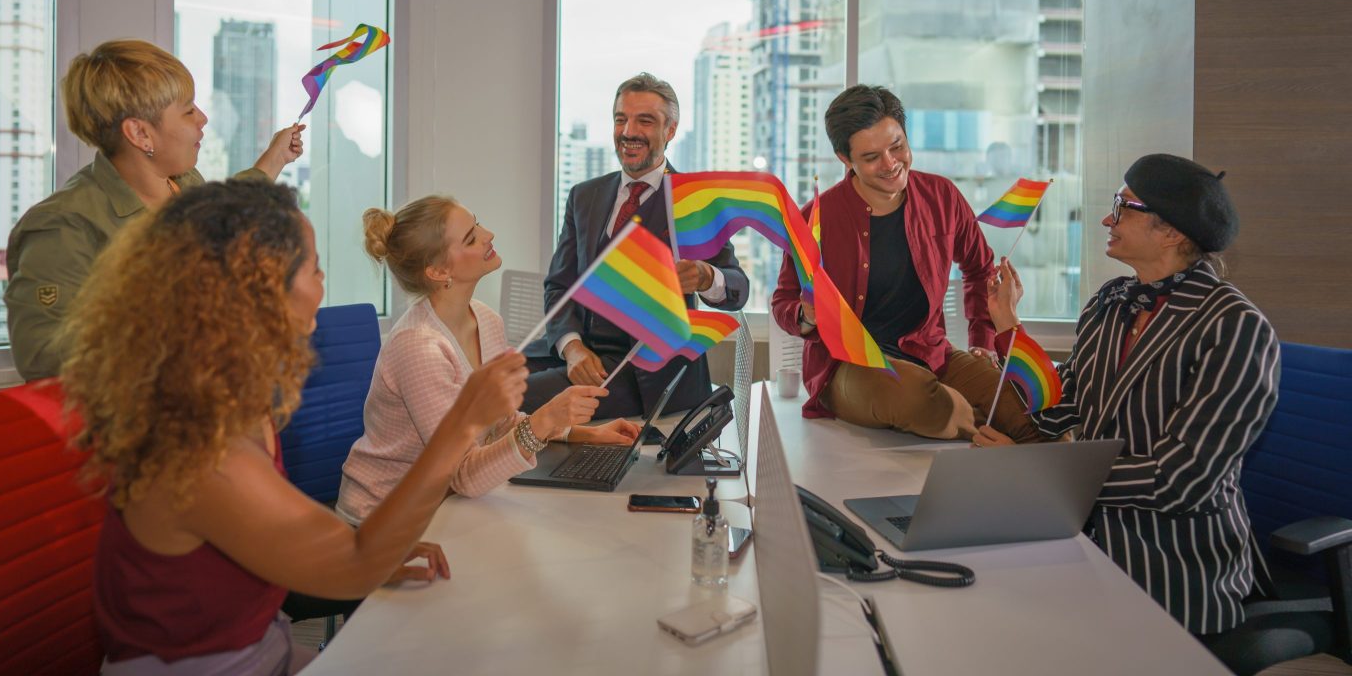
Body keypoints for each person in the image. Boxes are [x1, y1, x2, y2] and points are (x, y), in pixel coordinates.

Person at [60, 179, 529, 674]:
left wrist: (383, 549)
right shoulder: (199, 452)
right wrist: (463, 421)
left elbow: (290, 549)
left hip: (265, 644)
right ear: (256, 295)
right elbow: (352, 565)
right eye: (314, 268)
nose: (323, 284)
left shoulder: (233, 402)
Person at [973, 155, 1279, 646]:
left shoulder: (1234, 327)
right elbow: (1062, 409)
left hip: (1172, 564)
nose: (1106, 219)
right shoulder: (1112, 301)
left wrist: (1035, 472)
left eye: (1124, 207)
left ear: (1172, 232)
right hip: (1081, 539)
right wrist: (1007, 324)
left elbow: (1184, 479)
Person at [5, 40, 303, 379]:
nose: (203, 119)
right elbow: (44, 359)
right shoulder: (63, 227)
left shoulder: (183, 184)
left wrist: (276, 157)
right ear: (140, 133)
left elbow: (228, 214)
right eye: (189, 110)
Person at [337, 197, 641, 524]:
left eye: (477, 223)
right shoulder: (418, 348)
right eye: (471, 237)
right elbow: (464, 476)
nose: (489, 234)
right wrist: (545, 419)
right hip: (382, 522)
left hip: (443, 508)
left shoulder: (486, 320)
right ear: (439, 271)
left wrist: (584, 434)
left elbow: (502, 425)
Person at [771, 84, 1039, 441]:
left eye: (897, 146)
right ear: (844, 159)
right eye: (871, 157)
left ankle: (1000, 432)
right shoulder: (815, 220)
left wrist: (983, 341)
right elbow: (783, 302)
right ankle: (978, 422)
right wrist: (807, 315)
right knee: (914, 394)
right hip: (849, 366)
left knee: (1026, 404)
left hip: (931, 353)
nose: (891, 163)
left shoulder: (942, 197)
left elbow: (979, 270)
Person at [527, 73, 749, 419]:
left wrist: (707, 277)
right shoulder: (584, 196)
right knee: (493, 380)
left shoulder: (695, 203)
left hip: (647, 374)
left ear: (670, 130)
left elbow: (738, 289)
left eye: (644, 121)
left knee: (517, 398)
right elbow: (559, 286)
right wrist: (572, 349)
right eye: (621, 119)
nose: (628, 131)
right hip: (578, 354)